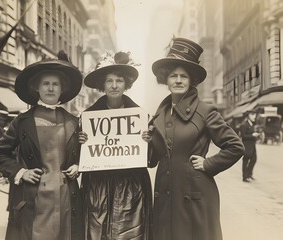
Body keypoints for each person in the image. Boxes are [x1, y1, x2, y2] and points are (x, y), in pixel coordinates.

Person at [142, 38, 245, 240]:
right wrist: (147, 142)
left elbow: (235, 146)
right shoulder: (158, 116)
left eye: (184, 76)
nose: (178, 80)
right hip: (166, 197)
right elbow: (151, 161)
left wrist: (208, 164)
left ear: (191, 81)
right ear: (166, 79)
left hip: (195, 196)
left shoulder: (205, 111)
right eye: (173, 76)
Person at [0, 51, 84, 240]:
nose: (50, 88)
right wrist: (20, 172)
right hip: (35, 197)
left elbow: (82, 155)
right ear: (37, 88)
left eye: (55, 84)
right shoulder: (23, 121)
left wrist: (78, 166)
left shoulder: (74, 121)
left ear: (62, 89)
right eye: (46, 84)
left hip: (66, 196)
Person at [78, 51, 152, 240]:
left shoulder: (141, 116)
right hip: (97, 188)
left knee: (130, 234)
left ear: (126, 84)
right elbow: (77, 159)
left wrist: (148, 141)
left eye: (119, 80)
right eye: (109, 81)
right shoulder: (87, 118)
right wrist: (81, 143)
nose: (114, 85)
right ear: (102, 85)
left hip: (131, 190)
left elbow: (150, 160)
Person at [239, 110, 259, 182]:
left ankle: (249, 175)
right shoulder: (244, 125)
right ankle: (245, 177)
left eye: (255, 115)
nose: (255, 117)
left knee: (254, 159)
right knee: (246, 161)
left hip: (252, 146)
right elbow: (243, 136)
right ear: (248, 116)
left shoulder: (251, 124)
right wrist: (252, 135)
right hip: (246, 146)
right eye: (253, 115)